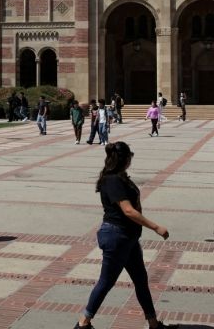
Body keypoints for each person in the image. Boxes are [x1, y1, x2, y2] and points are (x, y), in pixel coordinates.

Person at [73, 141, 175, 329]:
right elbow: (128, 210)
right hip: (116, 237)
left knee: (140, 280)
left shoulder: (120, 177)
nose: (131, 160)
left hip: (128, 238)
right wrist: (156, 227)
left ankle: (153, 324)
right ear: (124, 158)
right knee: (106, 282)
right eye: (130, 157)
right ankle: (83, 323)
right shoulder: (113, 180)